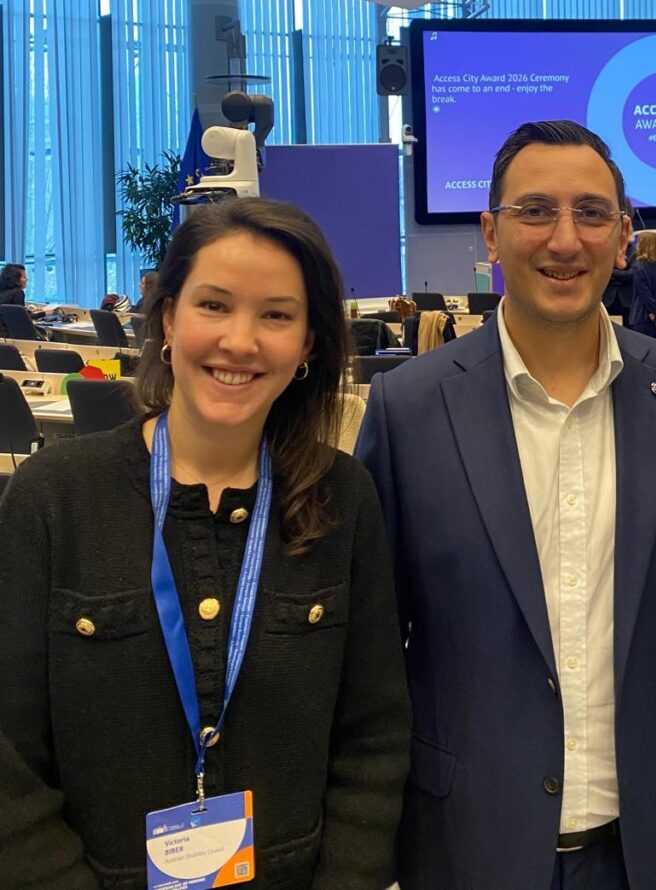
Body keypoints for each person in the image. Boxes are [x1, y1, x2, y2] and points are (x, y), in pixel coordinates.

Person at [357, 120, 656, 890]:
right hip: (467, 842)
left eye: (591, 213)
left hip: (655, 844)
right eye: (535, 211)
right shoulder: (407, 411)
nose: (564, 240)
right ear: (491, 232)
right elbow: (377, 652)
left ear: (620, 234)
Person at [0, 198, 411, 888]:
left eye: (276, 315)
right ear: (168, 318)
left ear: (309, 343)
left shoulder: (344, 500)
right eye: (214, 305)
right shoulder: (54, 497)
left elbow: (374, 739)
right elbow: (9, 762)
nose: (240, 341)